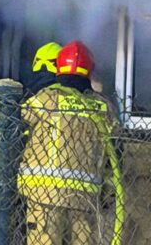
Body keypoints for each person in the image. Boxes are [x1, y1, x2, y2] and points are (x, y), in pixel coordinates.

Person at [18, 40, 124, 245]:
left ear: (59, 68)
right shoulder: (103, 108)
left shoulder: (47, 99)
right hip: (85, 199)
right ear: (89, 73)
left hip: (43, 197)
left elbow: (16, 120)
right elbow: (115, 149)